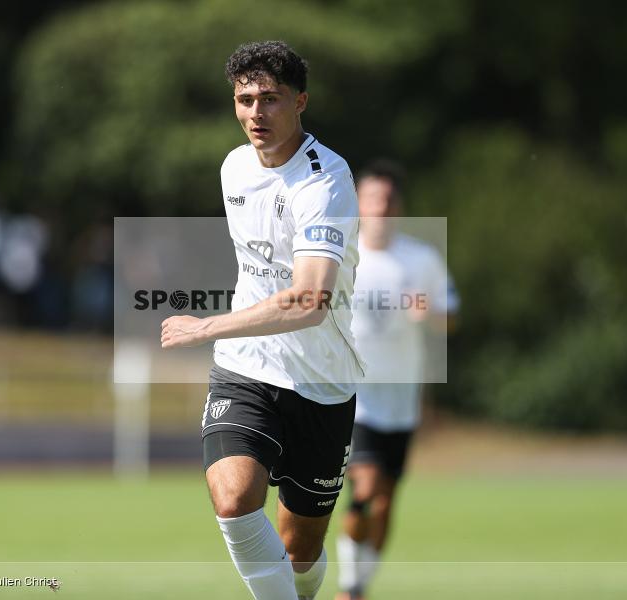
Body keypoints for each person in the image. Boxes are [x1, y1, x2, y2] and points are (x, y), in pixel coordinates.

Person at [160, 41, 363, 600]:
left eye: (269, 99)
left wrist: (206, 327)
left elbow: (309, 300)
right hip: (245, 369)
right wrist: (225, 339)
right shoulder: (233, 168)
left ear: (301, 102)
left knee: (298, 553)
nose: (255, 113)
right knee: (233, 499)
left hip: (321, 381)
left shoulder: (326, 182)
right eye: (244, 99)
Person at [335, 160, 459, 600]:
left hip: (402, 400)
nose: (380, 207)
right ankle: (348, 588)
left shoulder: (420, 258)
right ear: (359, 205)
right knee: (364, 488)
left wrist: (432, 315)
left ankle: (360, 585)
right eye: (372, 199)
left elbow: (451, 316)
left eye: (388, 200)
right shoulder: (343, 255)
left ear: (398, 206)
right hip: (355, 397)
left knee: (385, 502)